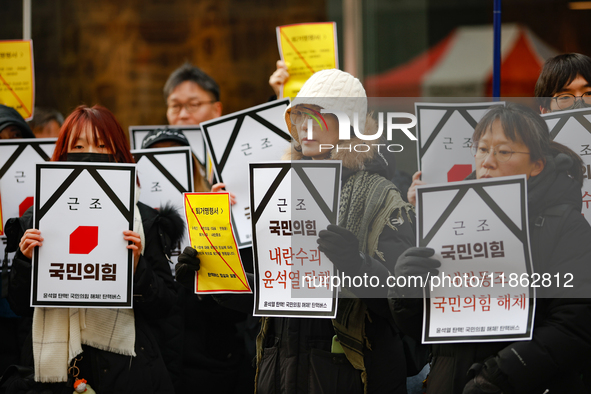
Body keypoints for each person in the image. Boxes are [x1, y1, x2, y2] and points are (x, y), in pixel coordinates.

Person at [180, 69, 418, 393]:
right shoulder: (279, 190)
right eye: (299, 119)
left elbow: (403, 307)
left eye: (317, 119)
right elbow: (269, 293)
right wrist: (213, 275)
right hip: (279, 374)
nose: (305, 130)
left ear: (349, 124)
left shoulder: (383, 197)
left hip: (349, 376)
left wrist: (357, 264)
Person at [393, 103, 591, 393]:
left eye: (504, 151)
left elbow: (575, 324)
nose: (487, 161)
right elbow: (421, 329)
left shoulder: (565, 225)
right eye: (482, 149)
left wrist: (498, 375)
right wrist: (406, 290)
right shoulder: (452, 219)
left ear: (537, 165)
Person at [6, 105, 183, 393]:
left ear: (119, 154)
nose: (90, 153)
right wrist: (26, 260)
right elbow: (19, 304)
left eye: (102, 146)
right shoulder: (38, 219)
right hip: (54, 375)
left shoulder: (145, 220)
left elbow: (167, 306)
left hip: (127, 372)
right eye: (79, 145)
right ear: (62, 154)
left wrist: (137, 269)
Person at [141, 127, 209, 192]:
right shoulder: (132, 202)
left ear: (191, 162)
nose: (166, 161)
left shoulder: (210, 199)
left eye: (175, 150)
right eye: (156, 153)